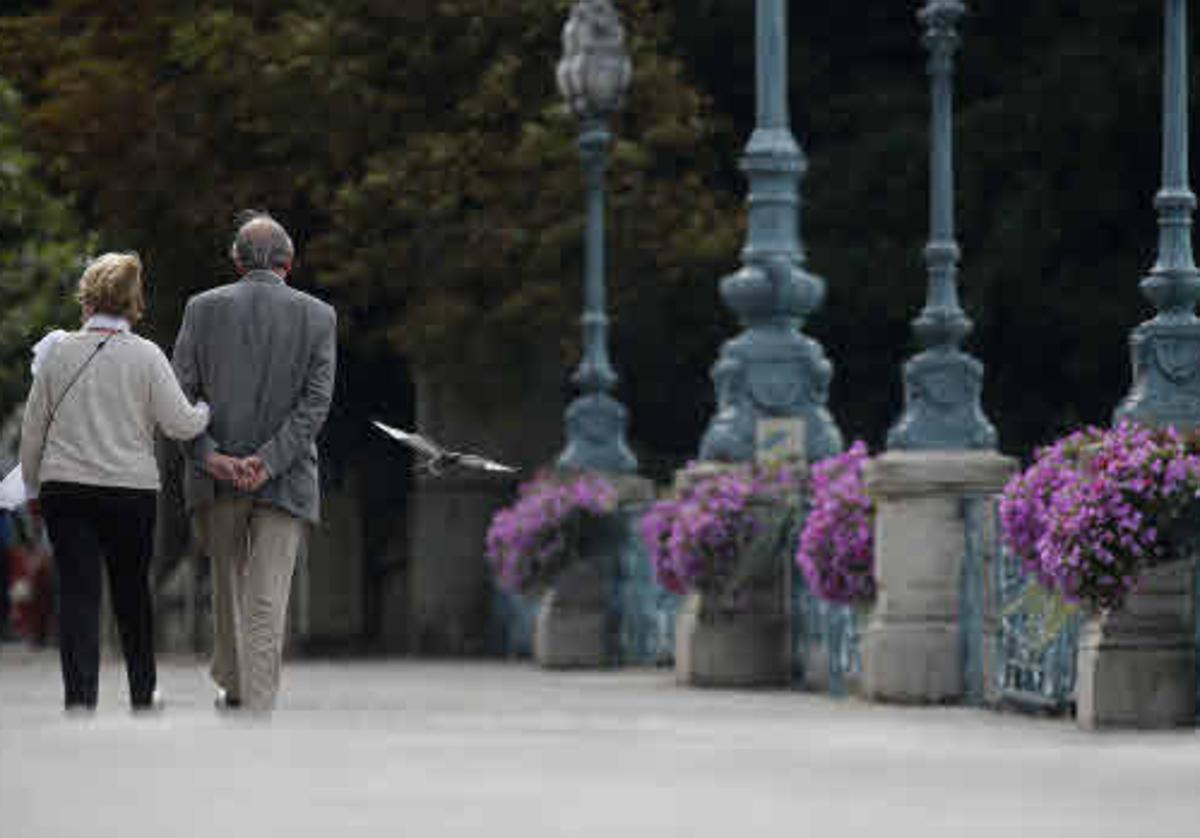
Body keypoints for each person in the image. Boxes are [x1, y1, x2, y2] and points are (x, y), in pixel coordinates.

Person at [20, 252, 210, 712]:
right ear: (132, 302)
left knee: (79, 593)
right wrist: (206, 409)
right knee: (131, 592)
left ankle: (80, 697)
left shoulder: (58, 353)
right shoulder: (146, 356)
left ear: (87, 298)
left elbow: (33, 429)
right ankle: (143, 693)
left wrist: (31, 487)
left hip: (66, 489)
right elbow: (181, 424)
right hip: (130, 492)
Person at [172, 210, 336, 713]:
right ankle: (257, 699)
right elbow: (315, 404)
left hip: (216, 480)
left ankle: (237, 686)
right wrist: (268, 462)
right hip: (286, 480)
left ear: (236, 260)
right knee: (267, 596)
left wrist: (212, 457)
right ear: (290, 261)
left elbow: (179, 397)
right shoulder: (319, 315)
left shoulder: (201, 309)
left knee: (228, 587)